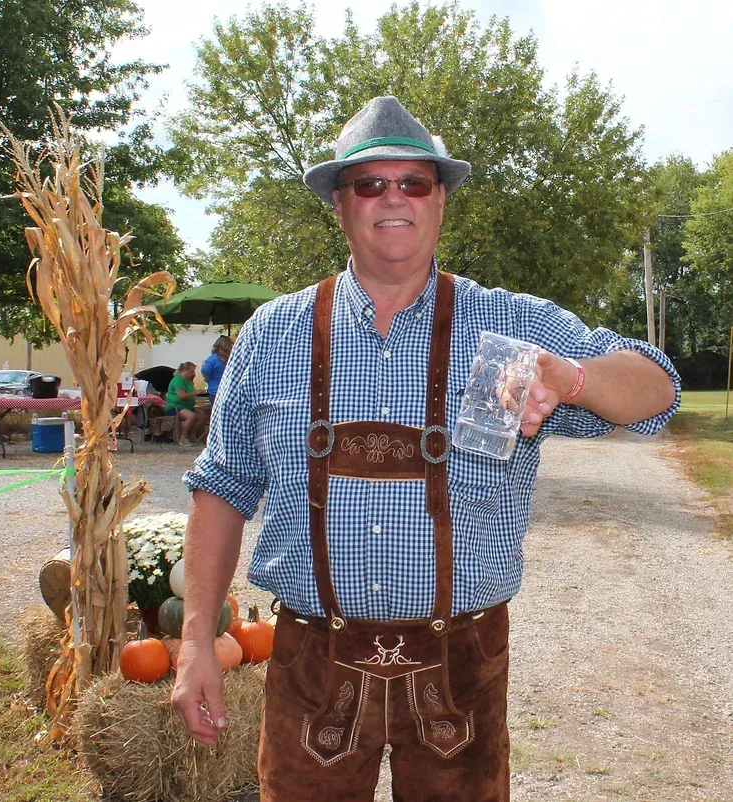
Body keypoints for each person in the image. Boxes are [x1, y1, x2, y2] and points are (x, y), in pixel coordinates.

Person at [171, 97, 680, 801]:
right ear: (340, 204)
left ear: (440, 199)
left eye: (413, 182)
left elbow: (657, 387)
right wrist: (198, 639)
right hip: (310, 667)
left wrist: (574, 378)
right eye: (371, 184)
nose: (393, 199)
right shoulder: (272, 334)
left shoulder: (513, 325)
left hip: (461, 668)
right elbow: (222, 486)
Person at [163, 362, 209, 447]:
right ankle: (183, 438)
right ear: (185, 370)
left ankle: (192, 435)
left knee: (202, 416)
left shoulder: (188, 381)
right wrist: (195, 393)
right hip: (174, 406)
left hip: (187, 406)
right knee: (190, 416)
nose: (193, 373)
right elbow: (181, 396)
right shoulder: (178, 380)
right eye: (191, 371)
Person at [201, 335, 234, 407]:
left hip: (214, 390)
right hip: (229, 390)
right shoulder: (233, 358)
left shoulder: (212, 358)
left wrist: (208, 378)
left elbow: (205, 371)